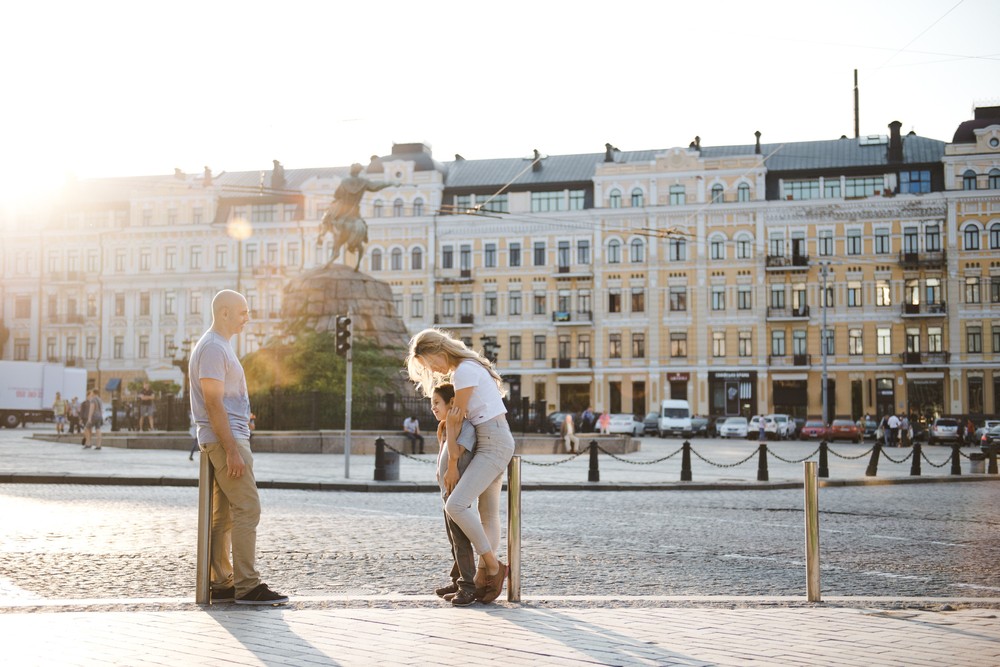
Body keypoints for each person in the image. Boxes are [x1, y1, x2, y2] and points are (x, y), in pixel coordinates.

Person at [189, 289, 287, 606]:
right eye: (243, 312)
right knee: (248, 508)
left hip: (225, 435)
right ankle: (247, 585)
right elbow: (213, 402)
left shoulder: (217, 347)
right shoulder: (214, 348)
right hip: (225, 439)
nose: (248, 318)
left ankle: (222, 582)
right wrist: (232, 449)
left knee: (223, 516)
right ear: (225, 312)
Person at [406, 328, 515, 604]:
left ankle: (493, 566)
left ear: (437, 352)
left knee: (455, 505)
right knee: (488, 513)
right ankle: (481, 576)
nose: (433, 370)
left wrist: (453, 465)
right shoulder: (470, 366)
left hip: (493, 442)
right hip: (494, 438)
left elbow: (456, 418)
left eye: (429, 363)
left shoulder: (463, 371)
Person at [429, 382, 478, 607]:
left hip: (458, 495)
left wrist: (450, 426)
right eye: (432, 404)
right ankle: (457, 581)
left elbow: (457, 454)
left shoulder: (465, 427)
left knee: (461, 540)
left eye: (437, 403)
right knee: (453, 540)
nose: (433, 408)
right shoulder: (446, 427)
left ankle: (468, 586)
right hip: (446, 494)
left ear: (452, 403)